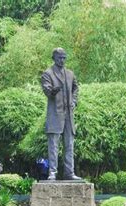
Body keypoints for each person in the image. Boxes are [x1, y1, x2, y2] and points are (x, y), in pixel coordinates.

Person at [41, 48, 81, 181]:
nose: (62, 60)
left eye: (64, 57)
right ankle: (52, 172)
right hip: (55, 115)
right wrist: (53, 91)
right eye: (59, 58)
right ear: (54, 58)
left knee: (69, 145)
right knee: (53, 145)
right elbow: (47, 90)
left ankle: (70, 172)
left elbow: (76, 88)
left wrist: (74, 101)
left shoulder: (70, 74)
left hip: (69, 115)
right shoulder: (48, 73)